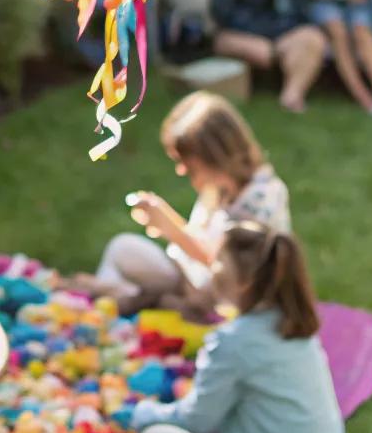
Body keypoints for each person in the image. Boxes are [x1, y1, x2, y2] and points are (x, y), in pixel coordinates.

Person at [133, 221, 353, 433]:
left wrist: (143, 413)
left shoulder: (234, 342)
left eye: (218, 261)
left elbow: (198, 420)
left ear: (243, 284)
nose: (212, 268)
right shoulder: (295, 325)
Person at [77, 91, 291, 316]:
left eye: (187, 164)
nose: (182, 171)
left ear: (214, 157)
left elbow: (230, 270)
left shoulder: (260, 197)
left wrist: (172, 229)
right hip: (190, 279)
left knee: (129, 286)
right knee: (122, 247)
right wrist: (165, 221)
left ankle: (124, 299)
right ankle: (113, 306)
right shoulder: (219, 188)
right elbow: (199, 240)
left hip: (230, 295)